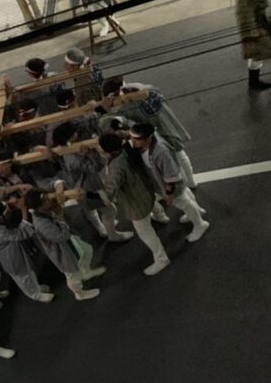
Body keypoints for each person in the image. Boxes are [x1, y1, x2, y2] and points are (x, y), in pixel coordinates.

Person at [99, 134, 171, 276]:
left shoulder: (115, 167)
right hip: (145, 191)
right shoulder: (127, 148)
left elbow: (108, 194)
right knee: (153, 205)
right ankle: (161, 216)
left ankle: (161, 258)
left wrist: (86, 194)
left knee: (145, 232)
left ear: (106, 151)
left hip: (134, 203)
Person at [128, 123, 209, 241]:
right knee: (185, 195)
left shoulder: (161, 152)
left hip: (171, 183)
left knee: (182, 202)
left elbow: (171, 176)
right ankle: (198, 210)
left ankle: (200, 224)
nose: (132, 141)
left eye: (136, 139)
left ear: (147, 139)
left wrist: (169, 193)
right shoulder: (147, 144)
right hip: (170, 181)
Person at [24, 187, 105, 300]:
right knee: (73, 275)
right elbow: (61, 237)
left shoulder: (44, 210)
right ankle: (79, 293)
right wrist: (61, 218)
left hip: (69, 243)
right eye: (46, 200)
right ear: (39, 206)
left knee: (87, 250)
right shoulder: (41, 224)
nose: (49, 200)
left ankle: (86, 273)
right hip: (62, 252)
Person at [236, 0, 271, 90]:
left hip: (262, 22)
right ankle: (254, 82)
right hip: (258, 27)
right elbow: (244, 16)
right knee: (258, 53)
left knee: (258, 55)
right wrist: (251, 38)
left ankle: (254, 81)